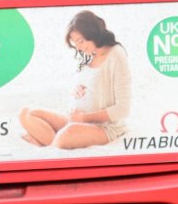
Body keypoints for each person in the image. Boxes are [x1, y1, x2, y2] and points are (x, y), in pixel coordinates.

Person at [19, 10, 131, 150]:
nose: (78, 48)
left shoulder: (116, 55)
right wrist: (78, 90)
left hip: (103, 127)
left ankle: (44, 141)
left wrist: (84, 118)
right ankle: (49, 140)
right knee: (26, 113)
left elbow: (122, 109)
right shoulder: (89, 55)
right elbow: (91, 86)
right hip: (74, 119)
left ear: (93, 33)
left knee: (65, 136)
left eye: (80, 41)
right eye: (75, 43)